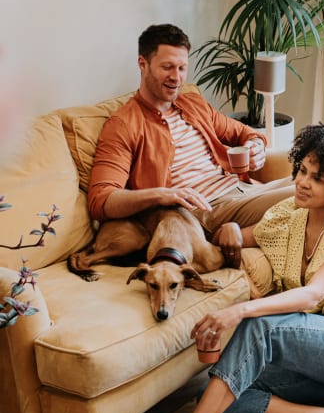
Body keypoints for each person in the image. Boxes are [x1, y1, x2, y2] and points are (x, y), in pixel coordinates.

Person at [182, 123, 324, 413]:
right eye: (302, 171)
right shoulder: (288, 217)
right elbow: (237, 238)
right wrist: (226, 231)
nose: (302, 182)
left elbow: (312, 295)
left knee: (259, 327)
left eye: (318, 178)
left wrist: (238, 310)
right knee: (215, 395)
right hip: (311, 358)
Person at [87, 23, 294, 266]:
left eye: (182, 68)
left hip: (243, 189)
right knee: (306, 196)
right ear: (143, 64)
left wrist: (256, 146)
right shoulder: (124, 124)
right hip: (205, 210)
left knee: (322, 179)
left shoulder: (192, 103)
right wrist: (162, 195)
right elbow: (101, 201)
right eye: (167, 67)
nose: (176, 77)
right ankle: (223, 236)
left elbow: (245, 133)